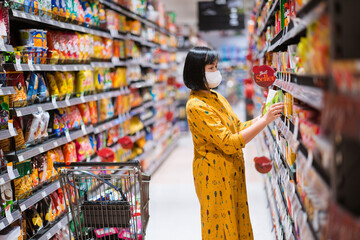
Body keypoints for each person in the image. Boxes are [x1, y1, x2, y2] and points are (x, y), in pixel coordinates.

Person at [184, 46, 283, 240]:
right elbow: (229, 142)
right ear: (197, 71)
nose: (216, 72)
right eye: (211, 68)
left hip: (231, 171)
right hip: (213, 176)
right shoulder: (196, 106)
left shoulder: (216, 97)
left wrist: (262, 117)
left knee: (237, 221)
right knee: (220, 227)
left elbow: (237, 127)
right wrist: (264, 121)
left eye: (216, 67)